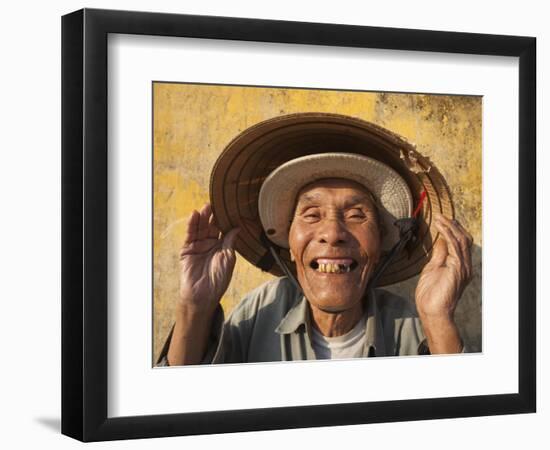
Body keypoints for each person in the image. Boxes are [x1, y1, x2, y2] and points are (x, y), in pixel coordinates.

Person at [158, 152, 473, 366]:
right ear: (291, 248)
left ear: (379, 249)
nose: (333, 233)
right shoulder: (257, 314)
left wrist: (437, 317)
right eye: (311, 215)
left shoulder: (412, 327)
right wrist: (194, 308)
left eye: (355, 215)